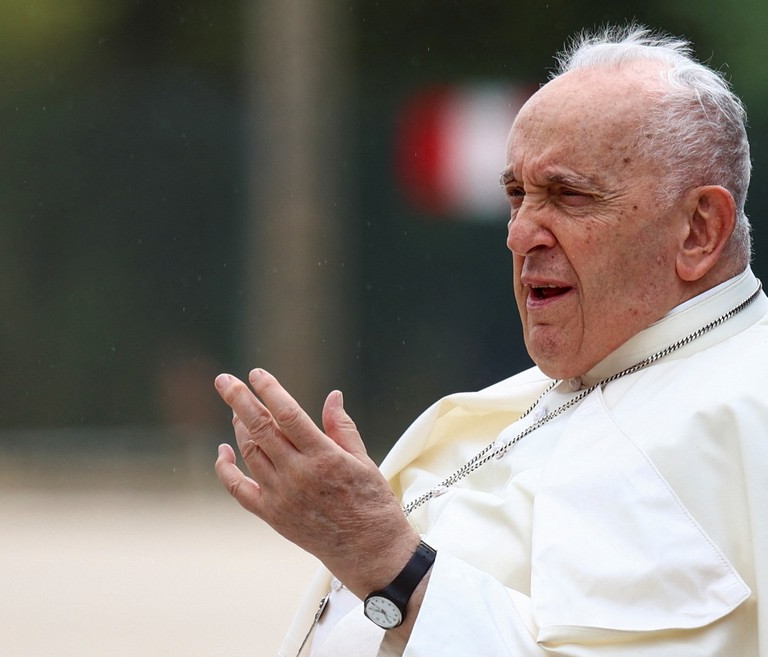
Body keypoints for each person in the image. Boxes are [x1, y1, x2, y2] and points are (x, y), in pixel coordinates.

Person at [213, 24, 768, 656]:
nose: (519, 234)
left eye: (568, 195)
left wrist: (385, 558)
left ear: (698, 230)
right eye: (516, 195)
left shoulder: (748, 411)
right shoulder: (581, 376)